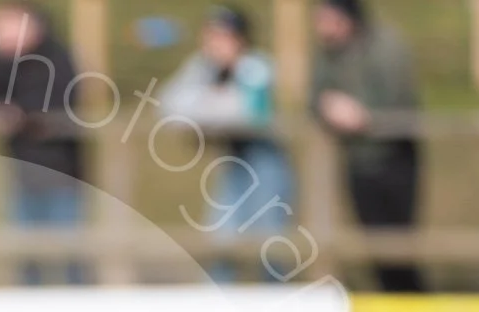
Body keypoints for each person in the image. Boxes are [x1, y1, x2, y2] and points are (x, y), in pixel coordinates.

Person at [159, 5, 294, 283]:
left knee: (268, 246)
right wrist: (211, 101)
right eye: (210, 36)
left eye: (220, 36)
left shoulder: (257, 67)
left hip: (265, 166)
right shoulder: (203, 68)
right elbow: (167, 108)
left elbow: (247, 115)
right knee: (219, 242)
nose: (213, 44)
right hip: (232, 164)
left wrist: (204, 105)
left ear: (239, 39)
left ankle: (276, 311)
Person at [312, 0, 427, 292]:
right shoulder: (327, 54)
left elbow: (400, 100)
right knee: (373, 243)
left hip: (395, 157)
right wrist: (326, 107)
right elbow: (314, 98)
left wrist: (365, 117)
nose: (322, 26)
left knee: (400, 243)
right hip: (357, 159)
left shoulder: (385, 46)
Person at [0, 1, 90, 286]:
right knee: (25, 254)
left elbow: (59, 99)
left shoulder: (57, 56)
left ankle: (80, 310)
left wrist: (19, 114)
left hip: (62, 172)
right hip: (21, 171)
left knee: (70, 251)